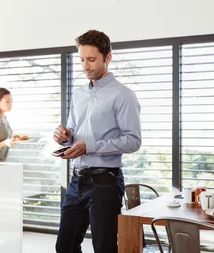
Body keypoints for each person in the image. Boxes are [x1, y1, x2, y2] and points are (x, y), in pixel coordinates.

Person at [53, 30, 141, 253]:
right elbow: (74, 130)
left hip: (105, 183)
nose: (85, 66)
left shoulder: (123, 95)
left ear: (107, 58)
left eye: (91, 59)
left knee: (104, 248)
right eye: (82, 59)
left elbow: (133, 141)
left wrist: (89, 147)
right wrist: (65, 135)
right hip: (76, 181)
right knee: (64, 246)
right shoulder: (78, 94)